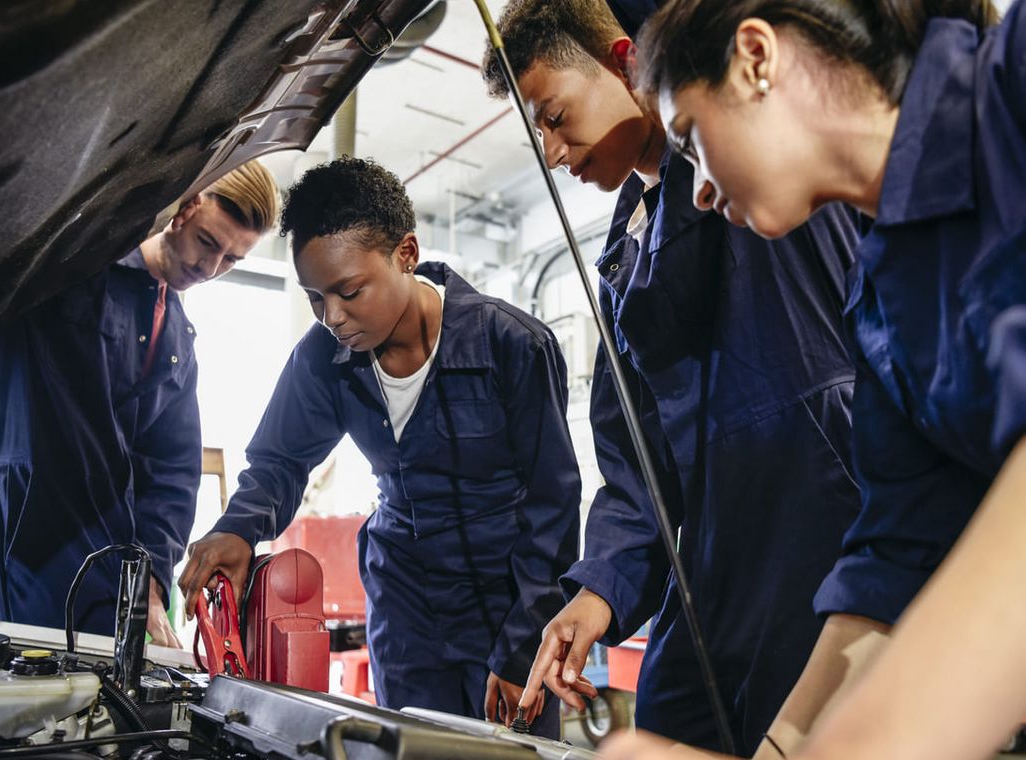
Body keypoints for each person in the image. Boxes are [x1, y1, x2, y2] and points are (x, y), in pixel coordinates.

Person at [605, 2, 1026, 759]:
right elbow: (890, 567)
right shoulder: (884, 305)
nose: (697, 192)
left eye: (691, 141)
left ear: (755, 58)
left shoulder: (1015, 82)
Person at [482, 0, 864, 753]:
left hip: (830, 526)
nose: (552, 153)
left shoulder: (762, 165)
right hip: (713, 566)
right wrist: (598, 590)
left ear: (627, 63)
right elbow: (638, 471)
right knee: (666, 729)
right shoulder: (622, 266)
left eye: (554, 117)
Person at [177, 157, 581, 737]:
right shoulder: (323, 358)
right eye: (315, 298)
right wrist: (239, 528)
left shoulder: (511, 345)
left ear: (406, 254)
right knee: (407, 747)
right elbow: (280, 460)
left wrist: (524, 647)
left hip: (506, 608)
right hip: (406, 612)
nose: (332, 317)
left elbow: (552, 507)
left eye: (349, 291)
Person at [0, 162, 279, 646]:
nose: (210, 268)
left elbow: (172, 475)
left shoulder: (177, 342)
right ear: (183, 208)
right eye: (207, 241)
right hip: (25, 536)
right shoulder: (74, 266)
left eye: (232, 259)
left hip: (109, 567)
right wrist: (147, 208)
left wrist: (149, 578)